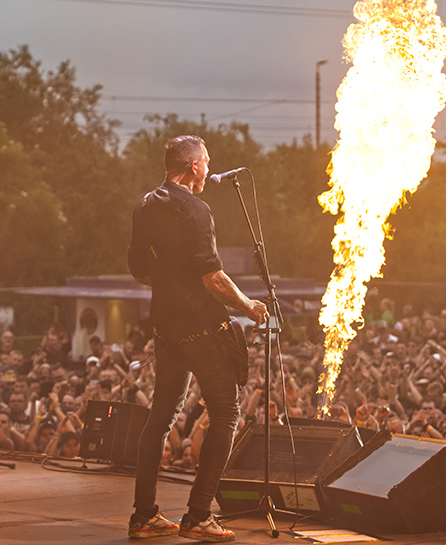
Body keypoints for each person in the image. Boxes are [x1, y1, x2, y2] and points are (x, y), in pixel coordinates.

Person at [126, 135, 268, 542]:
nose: (208, 167)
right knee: (225, 414)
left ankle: (144, 516)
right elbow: (214, 278)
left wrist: (171, 285)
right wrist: (249, 306)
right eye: (205, 161)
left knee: (161, 416)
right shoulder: (196, 210)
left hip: (165, 328)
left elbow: (139, 269)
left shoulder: (145, 205)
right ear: (194, 167)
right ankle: (198, 515)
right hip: (202, 330)